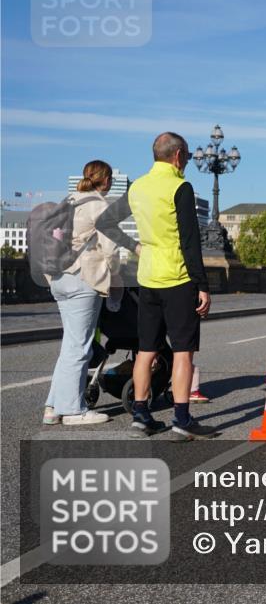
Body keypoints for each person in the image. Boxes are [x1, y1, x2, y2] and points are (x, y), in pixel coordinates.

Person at [99, 132, 217, 441]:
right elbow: (190, 242)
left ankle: (141, 414)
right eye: (189, 157)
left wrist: (136, 246)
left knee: (146, 350)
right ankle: (181, 418)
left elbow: (104, 222)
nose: (188, 162)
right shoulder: (180, 187)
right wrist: (202, 285)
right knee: (182, 352)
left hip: (147, 277)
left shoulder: (138, 186)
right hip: (177, 278)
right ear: (177, 156)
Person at [43, 160, 138, 426]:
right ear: (106, 180)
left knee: (70, 345)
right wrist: (116, 275)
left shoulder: (69, 200)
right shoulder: (98, 204)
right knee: (80, 347)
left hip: (58, 277)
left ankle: (52, 407)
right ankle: (73, 411)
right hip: (82, 279)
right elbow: (109, 249)